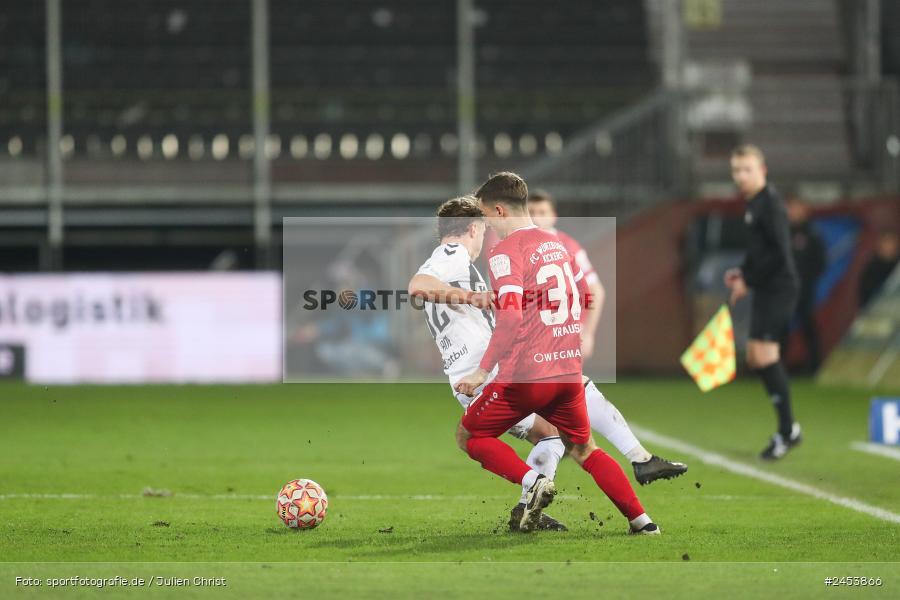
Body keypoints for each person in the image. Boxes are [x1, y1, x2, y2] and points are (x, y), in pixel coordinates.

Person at [409, 196, 686, 530]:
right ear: (473, 228)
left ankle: (536, 505)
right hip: (485, 373)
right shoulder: (450, 255)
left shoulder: (459, 263)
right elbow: (418, 285)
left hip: (484, 373)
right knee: (566, 429)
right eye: (482, 230)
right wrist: (474, 297)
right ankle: (624, 480)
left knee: (554, 436)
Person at [454, 173, 659, 534]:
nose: (487, 226)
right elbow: (582, 296)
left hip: (526, 377)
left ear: (500, 210)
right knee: (584, 450)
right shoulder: (560, 245)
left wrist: (481, 372)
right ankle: (643, 522)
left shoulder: (505, 252)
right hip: (567, 373)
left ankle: (533, 482)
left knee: (469, 436)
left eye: (486, 217)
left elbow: (511, 314)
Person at [724, 145, 802, 460]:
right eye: (736, 170)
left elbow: (780, 254)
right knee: (757, 358)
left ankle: (788, 431)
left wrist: (749, 280)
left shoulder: (770, 204)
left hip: (780, 288)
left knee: (764, 356)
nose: (741, 176)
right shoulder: (754, 204)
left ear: (763, 170)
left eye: (747, 170)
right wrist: (743, 272)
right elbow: (760, 251)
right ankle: (787, 429)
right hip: (766, 287)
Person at [785, 196, 827, 373]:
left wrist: (807, 279)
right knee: (779, 329)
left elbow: (820, 262)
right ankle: (776, 368)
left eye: (797, 208)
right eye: (791, 208)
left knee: (808, 327)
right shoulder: (779, 233)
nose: (794, 212)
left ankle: (815, 366)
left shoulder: (812, 233)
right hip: (783, 291)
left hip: (804, 291)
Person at [859, 231, 899, 308]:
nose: (890, 247)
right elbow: (865, 298)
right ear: (879, 246)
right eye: (886, 243)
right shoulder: (871, 270)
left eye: (892, 243)